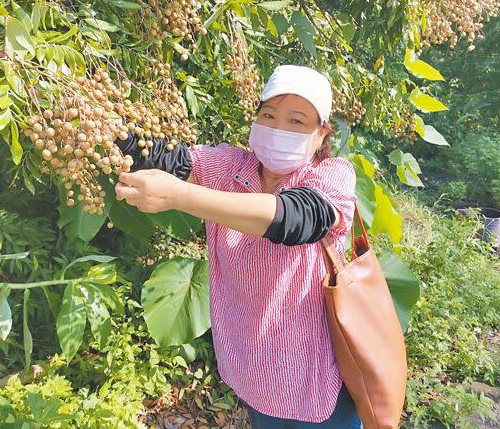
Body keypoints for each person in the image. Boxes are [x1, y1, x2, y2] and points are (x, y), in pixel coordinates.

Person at [114, 64, 362, 428]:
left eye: (296, 121)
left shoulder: (330, 175)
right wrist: (95, 122)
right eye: (268, 115)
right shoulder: (229, 167)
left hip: (316, 377)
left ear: (321, 132)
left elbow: (296, 219)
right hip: (254, 372)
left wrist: (181, 196)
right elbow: (163, 155)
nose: (278, 128)